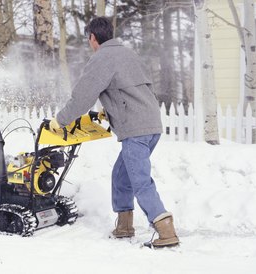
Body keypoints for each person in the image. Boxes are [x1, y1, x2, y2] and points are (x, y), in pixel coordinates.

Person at [49, 17, 179, 247]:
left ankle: (165, 229)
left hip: (135, 129)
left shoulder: (102, 58)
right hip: (151, 124)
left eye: (88, 38)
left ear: (92, 37)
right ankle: (124, 226)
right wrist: (108, 112)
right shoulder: (128, 54)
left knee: (139, 180)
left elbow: (82, 97)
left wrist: (60, 121)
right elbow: (132, 90)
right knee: (122, 175)